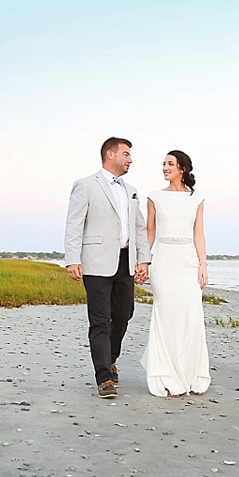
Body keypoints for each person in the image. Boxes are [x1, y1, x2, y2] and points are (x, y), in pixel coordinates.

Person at [64, 137, 151, 399]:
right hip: (96, 262)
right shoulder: (86, 185)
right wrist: (72, 258)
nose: (130, 159)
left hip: (126, 262)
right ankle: (103, 377)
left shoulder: (131, 189)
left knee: (124, 315)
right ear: (110, 154)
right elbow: (74, 223)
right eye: (126, 154)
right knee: (100, 320)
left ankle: (110, 357)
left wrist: (143, 259)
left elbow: (139, 228)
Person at [140, 150, 211, 397]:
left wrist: (203, 264)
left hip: (188, 262)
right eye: (163, 164)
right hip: (164, 261)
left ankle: (191, 375)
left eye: (170, 164)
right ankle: (167, 376)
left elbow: (198, 233)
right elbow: (150, 232)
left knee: (191, 316)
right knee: (166, 315)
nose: (164, 167)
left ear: (182, 168)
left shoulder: (197, 199)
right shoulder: (154, 197)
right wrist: (143, 261)